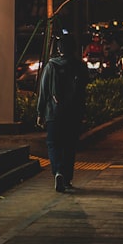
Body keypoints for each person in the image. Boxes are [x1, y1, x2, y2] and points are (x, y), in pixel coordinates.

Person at [37, 33, 88, 193]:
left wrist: (40, 113)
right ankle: (67, 178)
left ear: (58, 49)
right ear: (74, 49)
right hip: (73, 113)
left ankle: (58, 171)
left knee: (53, 144)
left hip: (54, 113)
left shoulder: (51, 66)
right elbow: (83, 91)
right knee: (70, 146)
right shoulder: (80, 66)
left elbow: (44, 91)